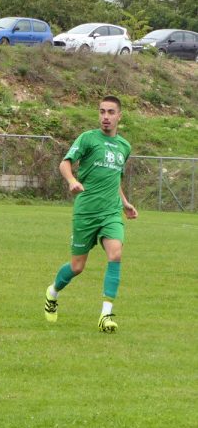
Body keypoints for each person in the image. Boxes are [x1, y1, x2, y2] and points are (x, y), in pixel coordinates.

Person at [44, 95, 138, 333]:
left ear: (119, 116)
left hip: (111, 212)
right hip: (86, 212)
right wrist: (72, 181)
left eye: (110, 112)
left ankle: (106, 315)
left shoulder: (124, 147)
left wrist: (125, 203)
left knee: (115, 254)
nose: (105, 117)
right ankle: (52, 292)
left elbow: (114, 178)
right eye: (102, 111)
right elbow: (65, 163)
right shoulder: (87, 138)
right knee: (77, 266)